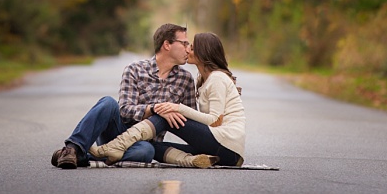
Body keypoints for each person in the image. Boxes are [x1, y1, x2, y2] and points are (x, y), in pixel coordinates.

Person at [50, 23, 198, 169]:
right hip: (116, 134)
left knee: (146, 152)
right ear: (167, 45)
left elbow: (191, 122)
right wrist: (154, 109)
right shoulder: (135, 70)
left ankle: (82, 157)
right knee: (108, 102)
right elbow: (125, 111)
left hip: (143, 142)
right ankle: (72, 149)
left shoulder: (185, 79)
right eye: (184, 43)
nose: (188, 49)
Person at [92, 31, 246, 168]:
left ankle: (114, 146)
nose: (187, 50)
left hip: (227, 144)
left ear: (203, 52)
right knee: (155, 148)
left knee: (164, 113)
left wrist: (176, 108)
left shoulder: (217, 78)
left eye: (191, 47)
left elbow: (214, 120)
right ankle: (195, 161)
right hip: (222, 151)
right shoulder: (204, 79)